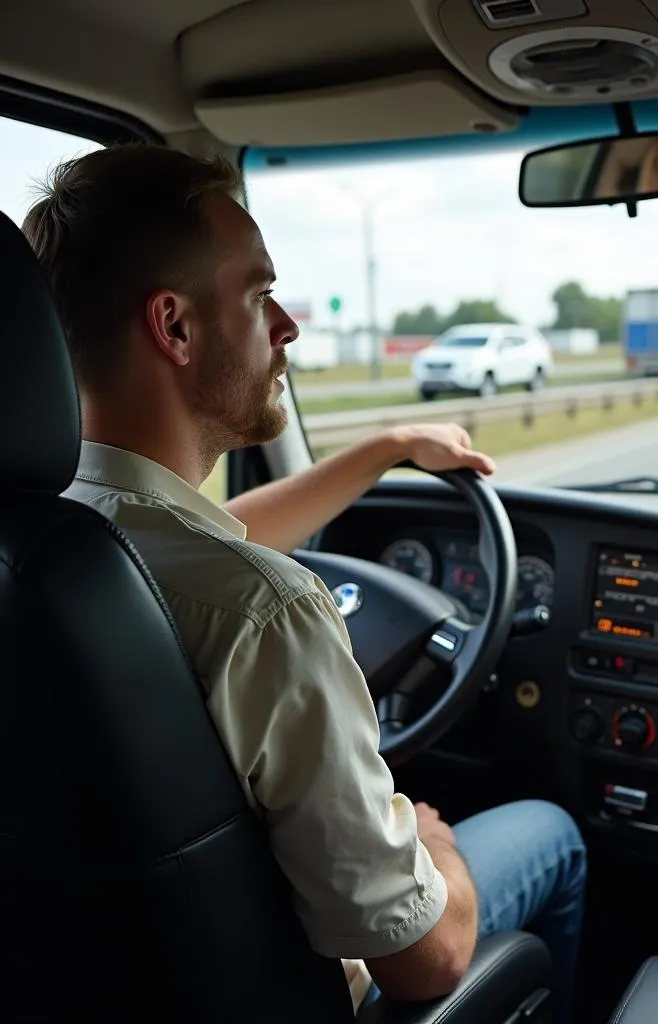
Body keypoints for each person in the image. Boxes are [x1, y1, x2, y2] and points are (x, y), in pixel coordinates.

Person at [22, 144, 587, 1020]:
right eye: (258, 294)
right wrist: (439, 855)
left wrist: (384, 448)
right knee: (552, 833)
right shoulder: (266, 613)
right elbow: (424, 962)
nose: (286, 324)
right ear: (173, 326)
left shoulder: (51, 541)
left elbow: (203, 544)